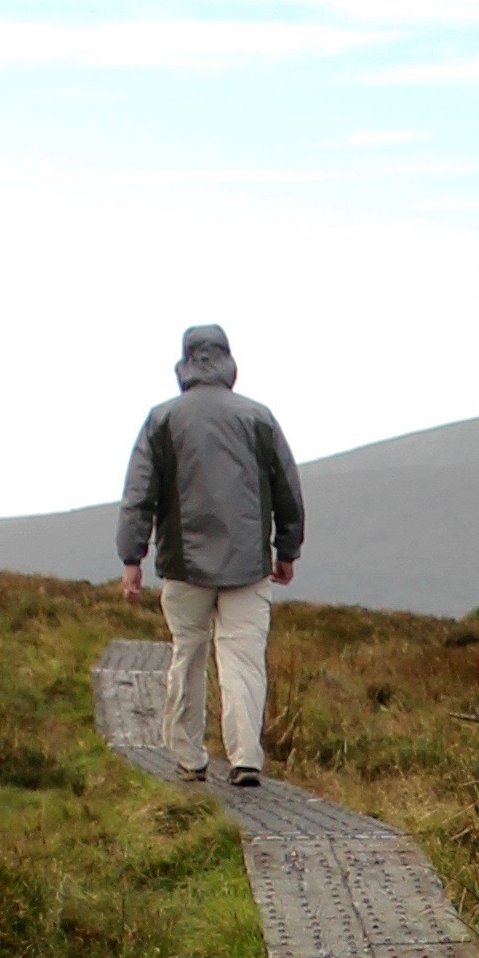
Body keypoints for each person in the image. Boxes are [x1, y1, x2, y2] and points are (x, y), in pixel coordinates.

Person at [117, 324, 306, 785]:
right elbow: (286, 487)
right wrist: (287, 549)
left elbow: (139, 494)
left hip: (184, 566)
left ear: (184, 363)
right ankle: (245, 758)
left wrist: (132, 559)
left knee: (189, 654)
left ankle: (189, 755)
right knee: (242, 659)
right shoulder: (258, 417)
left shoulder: (162, 419)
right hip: (249, 566)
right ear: (228, 362)